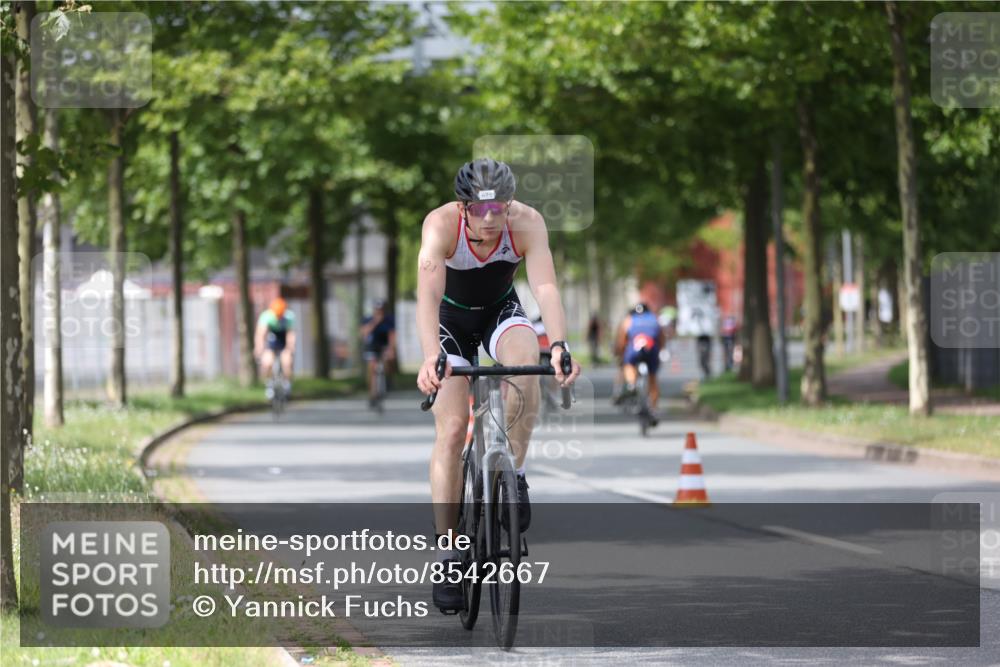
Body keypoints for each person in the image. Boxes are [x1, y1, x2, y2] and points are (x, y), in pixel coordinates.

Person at [416, 158, 581, 612]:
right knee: (451, 430)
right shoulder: (440, 225)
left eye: (499, 209)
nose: (491, 220)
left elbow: (545, 287)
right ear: (464, 206)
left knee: (528, 365)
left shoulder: (526, 223)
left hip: (499, 313)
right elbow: (427, 296)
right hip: (449, 322)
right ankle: (448, 553)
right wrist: (432, 355)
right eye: (481, 210)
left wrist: (562, 344)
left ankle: (514, 472)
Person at [613, 303, 665, 423]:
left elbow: (622, 339)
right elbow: (661, 338)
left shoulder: (629, 319)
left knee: (629, 365)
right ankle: (654, 408)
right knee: (653, 378)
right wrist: (660, 350)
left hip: (634, 348)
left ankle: (632, 385)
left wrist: (620, 353)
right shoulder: (654, 318)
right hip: (652, 349)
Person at [254, 297, 296, 396]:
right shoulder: (266, 316)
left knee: (287, 361)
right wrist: (259, 348)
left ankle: (287, 383)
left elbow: (291, 334)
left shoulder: (289, 317)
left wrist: (290, 348)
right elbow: (261, 334)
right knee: (267, 362)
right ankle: (269, 385)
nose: (279, 317)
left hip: (283, 338)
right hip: (271, 337)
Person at [359, 299, 397, 407]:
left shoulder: (389, 319)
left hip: (384, 346)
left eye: (381, 310)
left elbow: (392, 335)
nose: (380, 312)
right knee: (372, 367)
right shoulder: (368, 319)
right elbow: (363, 333)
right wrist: (375, 322)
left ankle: (388, 381)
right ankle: (372, 393)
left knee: (387, 361)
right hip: (372, 346)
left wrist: (391, 349)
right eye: (378, 310)